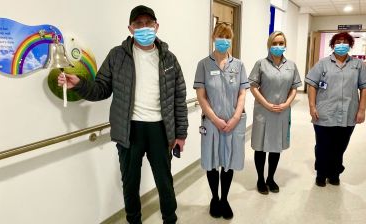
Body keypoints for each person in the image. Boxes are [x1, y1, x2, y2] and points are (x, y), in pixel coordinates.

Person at [58, 5, 188, 224]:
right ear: (130, 28)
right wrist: (79, 84)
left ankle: (169, 219)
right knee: (130, 182)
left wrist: (181, 133)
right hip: (129, 130)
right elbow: (101, 89)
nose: (144, 27)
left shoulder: (169, 59)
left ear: (157, 26)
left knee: (164, 181)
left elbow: (179, 98)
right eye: (138, 24)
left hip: (161, 129)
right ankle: (133, 220)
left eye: (149, 23)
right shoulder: (117, 56)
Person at [193, 22, 249, 220]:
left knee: (228, 162)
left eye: (227, 37)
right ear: (213, 38)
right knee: (212, 161)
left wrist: (235, 118)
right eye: (220, 36)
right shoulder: (204, 64)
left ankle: (224, 199)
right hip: (211, 122)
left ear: (231, 40)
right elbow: (201, 96)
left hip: (234, 123)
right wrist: (215, 119)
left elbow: (242, 94)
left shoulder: (239, 65)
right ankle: (214, 198)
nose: (223, 40)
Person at [305, 32, 366, 187]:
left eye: (344, 42)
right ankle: (321, 174)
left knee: (340, 146)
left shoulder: (357, 65)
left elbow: (365, 88)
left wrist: (362, 110)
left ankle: (335, 173)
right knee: (322, 146)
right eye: (338, 41)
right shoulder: (323, 64)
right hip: (324, 113)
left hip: (348, 113)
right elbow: (312, 85)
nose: (341, 44)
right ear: (333, 45)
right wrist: (312, 106)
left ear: (350, 45)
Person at [248, 31, 302, 195]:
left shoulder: (291, 65)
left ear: (285, 45)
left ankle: (270, 178)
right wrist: (266, 104)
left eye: (281, 43)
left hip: (281, 112)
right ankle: (260, 179)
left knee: (275, 146)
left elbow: (294, 87)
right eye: (275, 43)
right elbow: (253, 86)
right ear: (269, 45)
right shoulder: (261, 64)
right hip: (263, 111)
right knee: (260, 146)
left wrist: (287, 103)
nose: (278, 46)